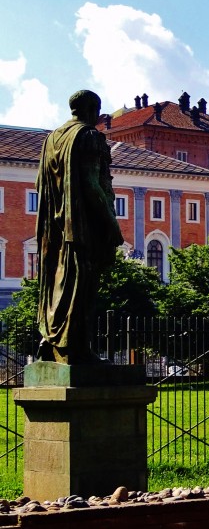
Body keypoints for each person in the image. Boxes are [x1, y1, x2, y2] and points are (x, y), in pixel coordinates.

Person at [36, 90, 124, 364]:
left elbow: (42, 185)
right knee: (81, 286)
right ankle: (76, 350)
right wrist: (111, 223)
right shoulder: (88, 136)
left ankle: (52, 342)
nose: (99, 117)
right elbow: (91, 183)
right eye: (97, 111)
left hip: (55, 228)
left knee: (58, 283)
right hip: (82, 227)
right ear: (90, 109)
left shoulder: (52, 139)